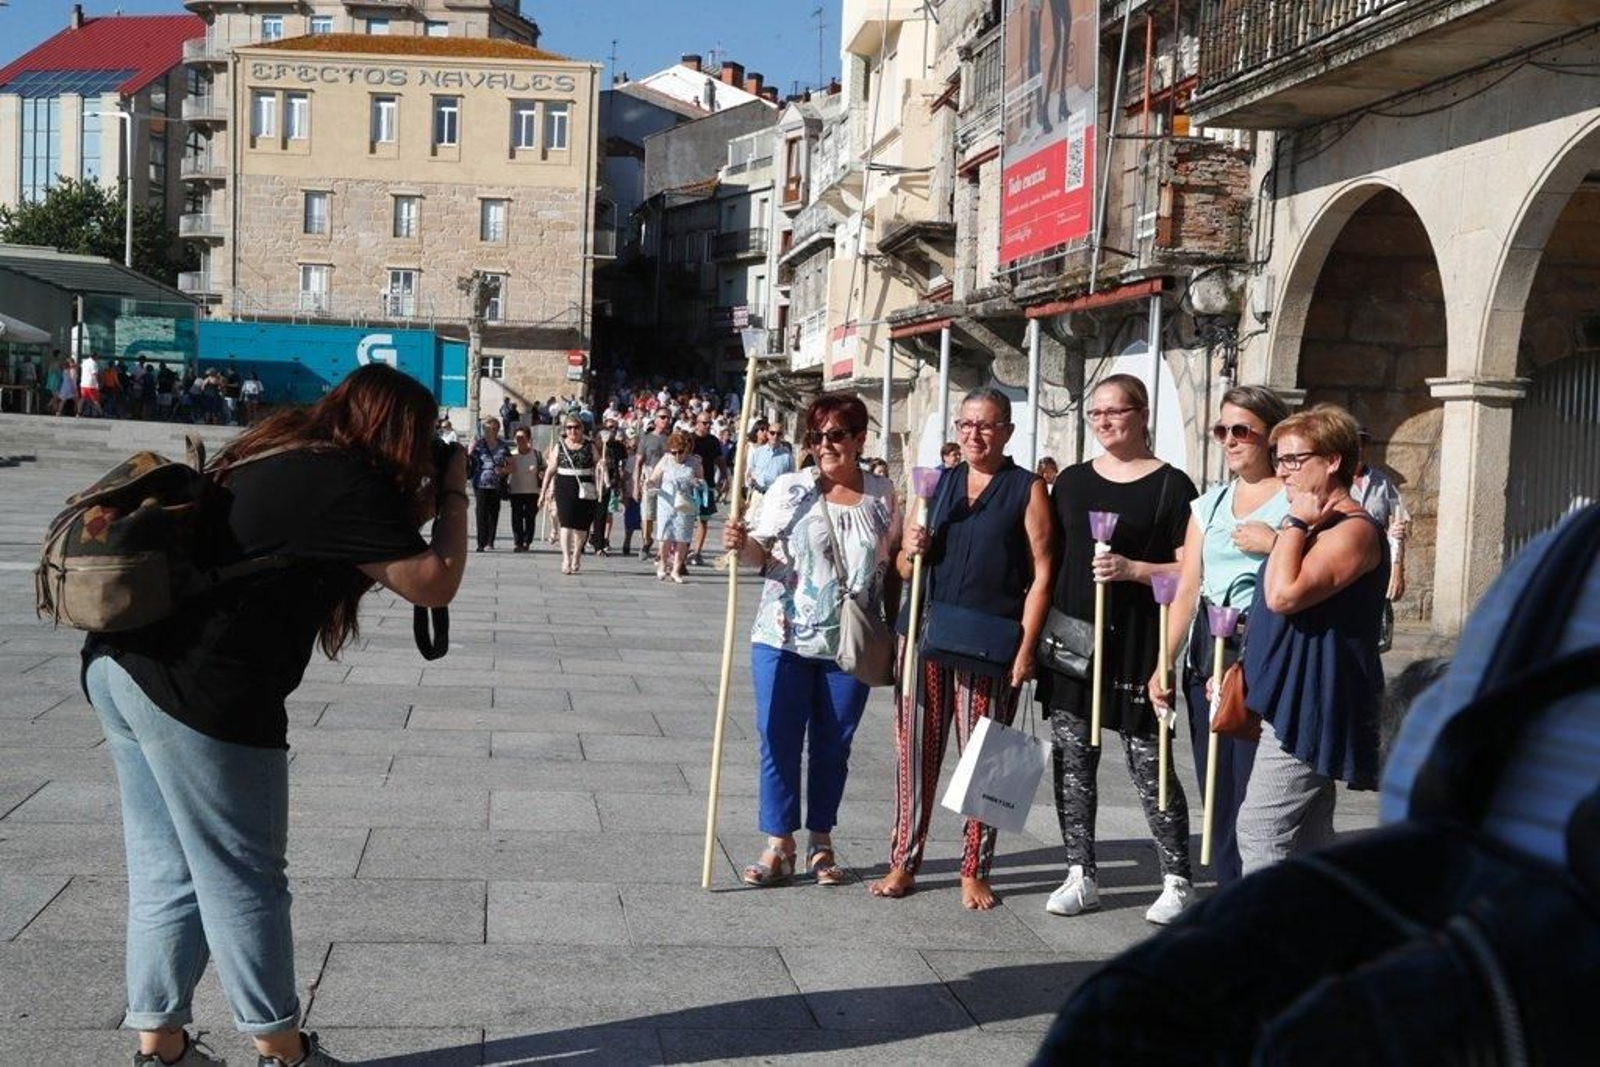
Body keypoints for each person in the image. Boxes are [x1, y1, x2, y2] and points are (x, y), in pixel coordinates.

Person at [83, 363, 468, 1067]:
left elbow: (373, 547)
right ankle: (283, 1052)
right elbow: (433, 580)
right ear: (395, 432)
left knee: (167, 866)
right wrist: (453, 491)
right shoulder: (342, 479)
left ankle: (161, 1050)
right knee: (243, 872)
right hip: (201, 687)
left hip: (121, 662)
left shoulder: (276, 449)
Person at [871, 389, 1056, 910]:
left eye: (987, 425)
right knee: (915, 752)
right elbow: (905, 569)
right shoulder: (935, 484)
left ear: (1008, 431)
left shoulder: (1028, 489)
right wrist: (911, 551)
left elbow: (1044, 573)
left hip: (989, 641)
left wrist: (1027, 646)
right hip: (926, 634)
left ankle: (975, 868)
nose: (975, 435)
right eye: (967, 424)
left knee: (989, 756)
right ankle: (904, 859)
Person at [1035, 375, 1198, 925]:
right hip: (1074, 641)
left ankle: (1176, 878)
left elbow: (1190, 571)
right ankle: (1080, 872)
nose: (1104, 422)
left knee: (1150, 765)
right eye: (1096, 414)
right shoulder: (1074, 483)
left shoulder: (1172, 487)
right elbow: (1047, 557)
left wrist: (1134, 570)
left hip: (1138, 643)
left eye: (1115, 411)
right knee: (1074, 763)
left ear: (1143, 413)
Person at [723, 394, 901, 886]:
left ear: (860, 440)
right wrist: (743, 544)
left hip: (851, 642)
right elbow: (761, 554)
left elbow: (892, 568)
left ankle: (821, 841)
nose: (825, 445)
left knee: (833, 746)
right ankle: (779, 842)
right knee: (777, 740)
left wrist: (899, 628)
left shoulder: (884, 495)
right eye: (816, 436)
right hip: (782, 636)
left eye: (836, 435)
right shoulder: (791, 488)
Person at [1146, 384, 1290, 886]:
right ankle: (1229, 890)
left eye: (1242, 430)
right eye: (1221, 429)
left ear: (1270, 436)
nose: (1229, 440)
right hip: (1209, 651)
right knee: (1217, 785)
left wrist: (1273, 544)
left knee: (1257, 784)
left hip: (1263, 648)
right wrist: (1164, 663)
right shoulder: (1208, 505)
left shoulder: (1294, 501)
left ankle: (1257, 889)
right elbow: (1188, 589)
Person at [1236, 403, 1388, 874]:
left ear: (1334, 460)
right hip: (1292, 690)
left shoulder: (1354, 531)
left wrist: (1293, 526)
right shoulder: (1318, 525)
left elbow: (1283, 596)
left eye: (1295, 460)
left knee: (1260, 829)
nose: (1283, 471)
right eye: (1279, 459)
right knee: (1308, 836)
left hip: (1313, 697)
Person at [1351, 427, 1410, 638]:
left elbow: (1400, 524)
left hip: (1375, 567)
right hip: (1342, 564)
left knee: (1374, 635)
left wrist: (1397, 571)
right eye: (1351, 442)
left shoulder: (1383, 482)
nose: (1357, 448)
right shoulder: (1330, 480)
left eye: (1361, 443)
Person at [543, 416, 602, 574]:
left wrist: (602, 466)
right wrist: (544, 492)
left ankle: (576, 554)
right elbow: (550, 470)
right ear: (565, 430)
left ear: (582, 429)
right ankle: (566, 559)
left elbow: (598, 464)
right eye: (569, 428)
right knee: (566, 523)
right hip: (564, 485)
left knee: (582, 526)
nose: (572, 431)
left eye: (576, 427)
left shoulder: (589, 446)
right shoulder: (560, 446)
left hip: (585, 486)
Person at [645, 431, 703, 584]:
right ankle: (663, 564)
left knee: (682, 538)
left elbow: (702, 481)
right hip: (666, 502)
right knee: (665, 536)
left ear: (687, 449)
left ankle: (676, 569)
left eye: (680, 452)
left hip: (685, 504)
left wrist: (697, 483)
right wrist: (649, 484)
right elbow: (653, 478)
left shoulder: (694, 462)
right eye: (673, 452)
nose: (677, 456)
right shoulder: (666, 460)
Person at [468, 417, 512, 552]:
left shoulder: (503, 446)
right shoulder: (479, 444)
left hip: (496, 483)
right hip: (480, 482)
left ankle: (490, 541)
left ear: (496, 429)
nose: (487, 431)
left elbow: (512, 466)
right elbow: (467, 460)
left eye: (490, 428)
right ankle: (481, 543)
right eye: (485, 428)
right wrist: (471, 447)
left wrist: (503, 470)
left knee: (493, 512)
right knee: (481, 512)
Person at [689, 413, 728, 565]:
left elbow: (720, 460)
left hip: (707, 484)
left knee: (703, 520)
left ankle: (697, 552)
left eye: (709, 423)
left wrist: (724, 476)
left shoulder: (713, 441)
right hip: (690, 485)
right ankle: (683, 550)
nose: (707, 426)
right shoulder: (690, 439)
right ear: (697, 423)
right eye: (704, 423)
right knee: (686, 520)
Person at [636, 409, 672, 559]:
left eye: (668, 418)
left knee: (665, 514)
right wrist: (635, 484)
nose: (665, 420)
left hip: (667, 479)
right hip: (650, 477)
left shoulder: (672, 439)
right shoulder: (646, 438)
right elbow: (639, 462)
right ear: (656, 419)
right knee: (647, 513)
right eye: (662, 417)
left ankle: (661, 547)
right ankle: (647, 540)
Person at [507, 427, 545, 552]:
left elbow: (545, 469)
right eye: (517, 438)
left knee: (530, 517)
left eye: (522, 437)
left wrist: (541, 474)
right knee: (516, 517)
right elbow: (505, 470)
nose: (520, 440)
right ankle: (518, 542)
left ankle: (527, 541)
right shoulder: (511, 454)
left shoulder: (537, 454)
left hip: (532, 491)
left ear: (529, 439)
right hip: (516, 490)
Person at [78, 352, 102, 418]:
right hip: (91, 384)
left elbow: (80, 369)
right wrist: (98, 383)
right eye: (97, 357)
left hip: (83, 384)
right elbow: (95, 374)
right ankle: (101, 413)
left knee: (82, 399)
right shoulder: (94, 363)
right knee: (95, 400)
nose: (97, 358)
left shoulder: (84, 362)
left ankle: (79, 413)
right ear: (95, 357)